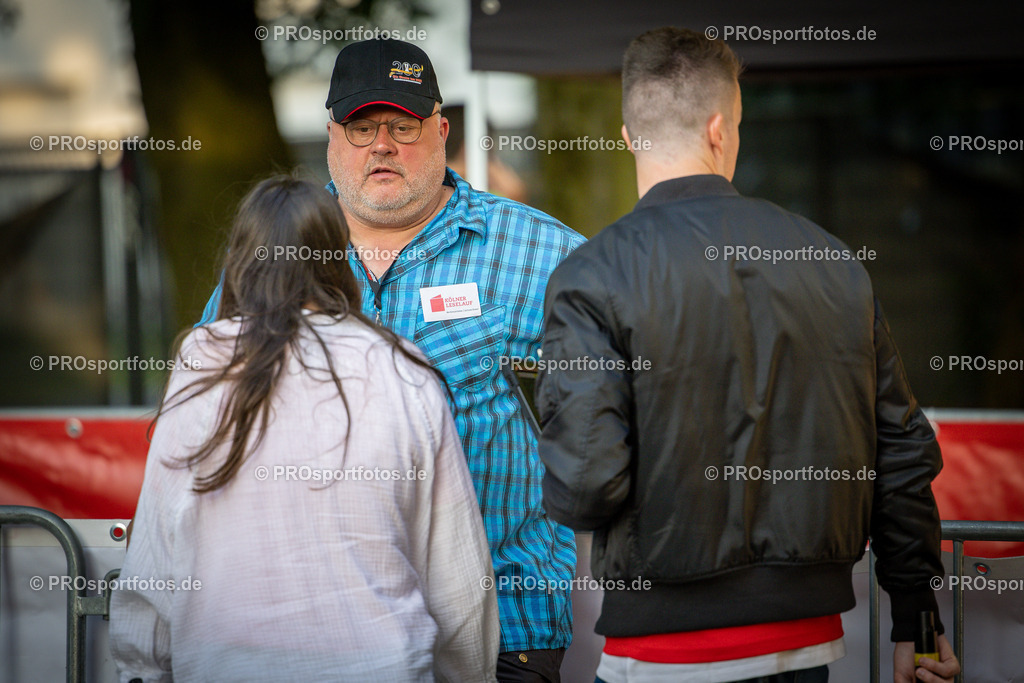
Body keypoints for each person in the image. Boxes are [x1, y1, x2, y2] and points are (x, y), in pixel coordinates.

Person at [535, 27, 961, 683]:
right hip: (807, 640)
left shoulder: (590, 274)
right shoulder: (834, 263)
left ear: (626, 136)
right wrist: (919, 623)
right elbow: (900, 450)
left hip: (661, 651)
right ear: (720, 129)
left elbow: (588, 487)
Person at [196, 39, 585, 681]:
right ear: (331, 138)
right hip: (321, 633)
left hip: (507, 631)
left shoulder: (542, 253)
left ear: (441, 130)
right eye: (362, 128)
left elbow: (630, 396)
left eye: (403, 126)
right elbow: (205, 415)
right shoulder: (271, 260)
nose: (382, 145)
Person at [109, 177, 498, 682]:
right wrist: (470, 676)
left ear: (241, 260)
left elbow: (154, 563)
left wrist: (140, 668)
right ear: (339, 259)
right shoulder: (403, 371)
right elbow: (458, 580)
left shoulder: (202, 365)